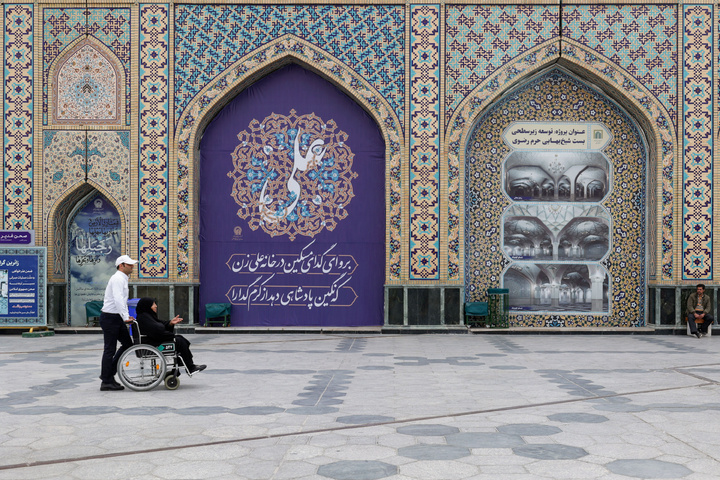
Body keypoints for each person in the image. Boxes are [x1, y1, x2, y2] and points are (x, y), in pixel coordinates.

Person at [134, 297, 206, 374]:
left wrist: (170, 323)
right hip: (155, 347)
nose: (156, 306)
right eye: (153, 304)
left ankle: (183, 364)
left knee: (180, 339)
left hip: (152, 343)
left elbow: (159, 325)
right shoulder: (145, 318)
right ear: (147, 306)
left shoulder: (147, 316)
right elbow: (157, 331)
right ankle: (189, 367)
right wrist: (170, 335)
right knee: (179, 341)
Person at [99, 254, 137, 391]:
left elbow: (122, 300)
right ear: (121, 266)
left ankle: (108, 374)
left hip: (116, 317)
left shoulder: (123, 278)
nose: (132, 267)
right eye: (129, 264)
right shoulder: (117, 279)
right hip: (110, 317)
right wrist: (126, 316)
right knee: (109, 349)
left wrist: (124, 317)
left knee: (127, 344)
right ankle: (106, 380)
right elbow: (118, 299)